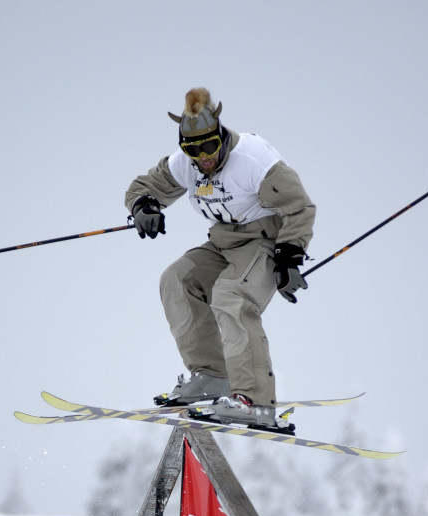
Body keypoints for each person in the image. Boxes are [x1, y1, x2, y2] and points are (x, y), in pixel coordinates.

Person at [125, 87, 315, 430]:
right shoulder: (187, 164)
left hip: (265, 241)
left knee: (231, 296)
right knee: (176, 280)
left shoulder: (254, 159)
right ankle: (213, 375)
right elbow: (144, 186)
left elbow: (299, 207)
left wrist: (289, 256)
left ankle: (255, 402)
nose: (203, 156)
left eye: (209, 146)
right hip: (223, 241)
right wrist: (144, 207)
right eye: (192, 149)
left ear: (221, 136)